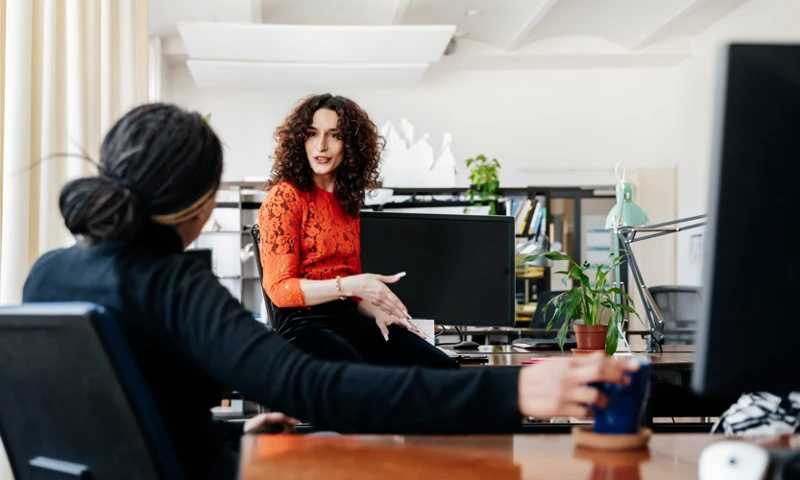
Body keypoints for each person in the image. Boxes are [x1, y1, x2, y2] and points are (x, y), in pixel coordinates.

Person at [24, 103, 639, 480]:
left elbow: (123, 423)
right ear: (201, 203)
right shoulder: (177, 284)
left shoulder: (46, 274)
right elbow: (318, 388)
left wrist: (232, 435)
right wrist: (521, 386)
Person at [258, 93, 454, 368]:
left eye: (334, 135)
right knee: (362, 382)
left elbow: (351, 292)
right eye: (312, 133)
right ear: (299, 140)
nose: (321, 146)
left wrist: (377, 309)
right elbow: (279, 289)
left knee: (442, 369)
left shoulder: (346, 203)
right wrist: (351, 285)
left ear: (350, 145)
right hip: (303, 325)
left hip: (349, 319)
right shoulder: (285, 197)